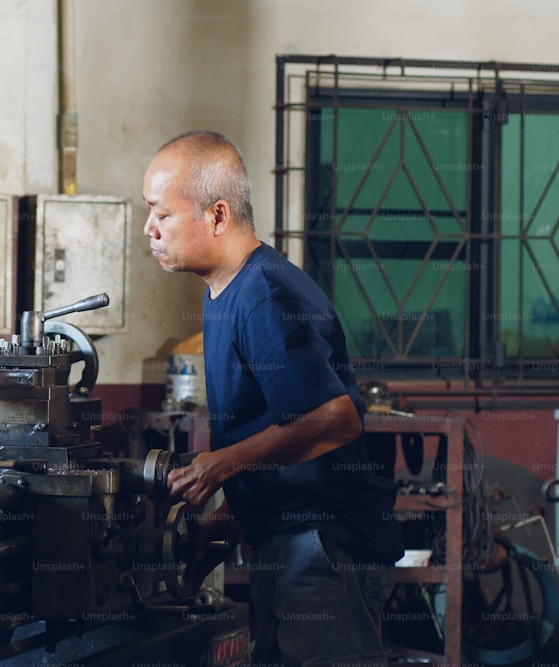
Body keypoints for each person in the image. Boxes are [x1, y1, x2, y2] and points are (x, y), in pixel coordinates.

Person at [144, 130, 404, 666]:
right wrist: (230, 516)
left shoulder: (265, 294)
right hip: (283, 540)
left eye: (161, 214)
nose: (149, 229)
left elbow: (335, 420)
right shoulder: (223, 290)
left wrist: (219, 466)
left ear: (217, 216)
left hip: (321, 546)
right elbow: (273, 427)